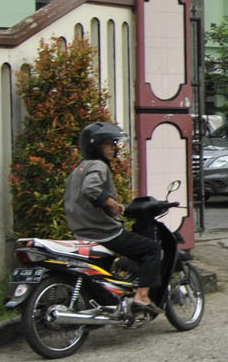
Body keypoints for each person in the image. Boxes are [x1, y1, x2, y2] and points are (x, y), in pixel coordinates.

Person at [63, 122, 163, 314]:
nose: (113, 148)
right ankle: (142, 296)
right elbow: (91, 189)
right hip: (105, 233)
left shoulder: (77, 170)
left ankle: (114, 301)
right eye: (108, 144)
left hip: (81, 233)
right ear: (96, 146)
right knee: (152, 249)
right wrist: (111, 203)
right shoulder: (99, 166)